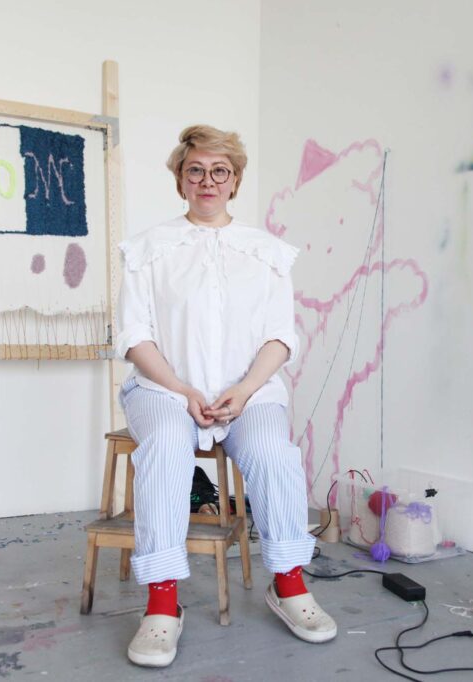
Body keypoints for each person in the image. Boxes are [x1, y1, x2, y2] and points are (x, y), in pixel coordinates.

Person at [114, 124, 337, 667]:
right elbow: (134, 336)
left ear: (235, 181)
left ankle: (289, 584)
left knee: (274, 453)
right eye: (196, 170)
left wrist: (243, 389)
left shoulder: (267, 253)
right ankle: (162, 604)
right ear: (180, 180)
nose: (208, 180)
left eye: (220, 171)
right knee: (167, 447)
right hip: (164, 389)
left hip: (249, 392)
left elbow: (280, 338)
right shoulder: (147, 250)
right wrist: (181, 388)